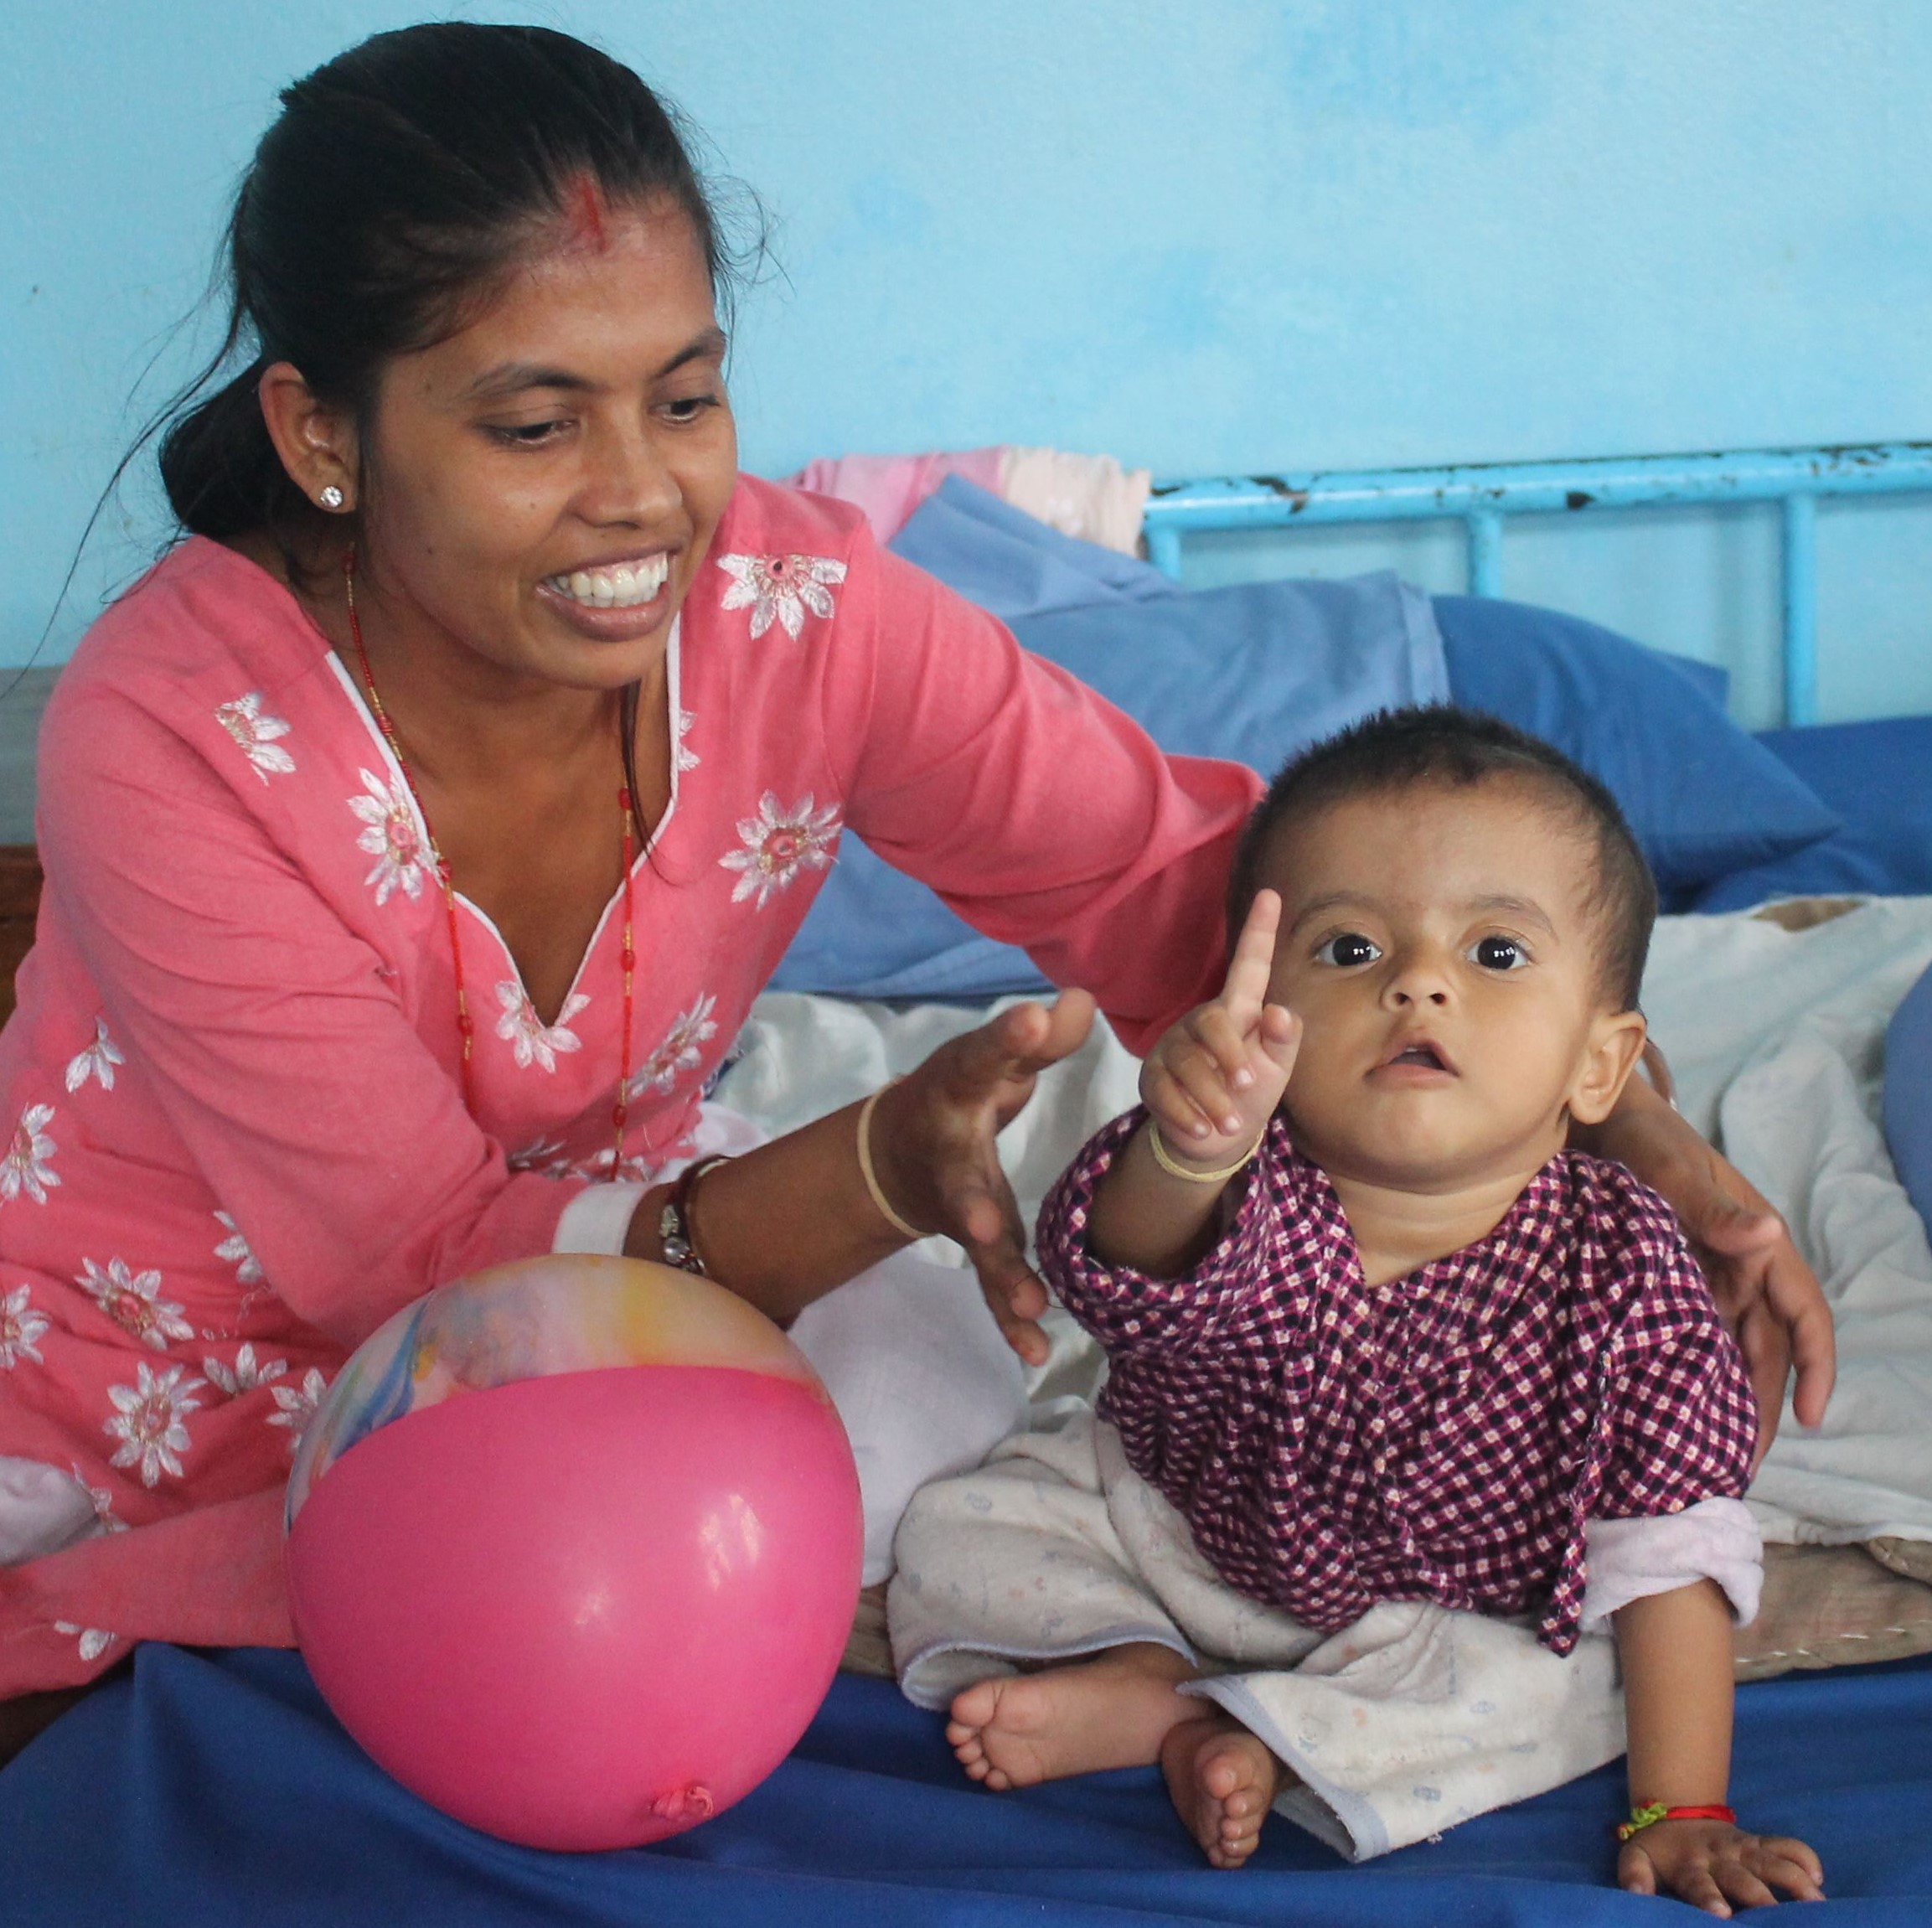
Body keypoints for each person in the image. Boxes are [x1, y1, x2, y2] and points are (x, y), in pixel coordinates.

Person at [0, 24, 1828, 1759]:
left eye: (688, 396)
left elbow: (1172, 885)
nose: (643, 500)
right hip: (147, 1360)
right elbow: (408, 1271)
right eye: (533, 426)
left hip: (612, 1261)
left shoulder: (797, 614)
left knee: (968, 1342)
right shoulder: (172, 732)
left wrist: (1630, 1139)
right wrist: (866, 1169)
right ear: (323, 431)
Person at [891, 711, 1826, 1915]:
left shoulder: (1626, 1270)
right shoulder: (1244, 1187)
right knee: (972, 1519)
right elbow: (1122, 1260)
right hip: (1170, 1535)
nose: (1414, 980)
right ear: (1256, 1005)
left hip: (1445, 1617)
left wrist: (1684, 1809)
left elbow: (1665, 1551)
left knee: (1582, 1681)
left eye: (1494, 952)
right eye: (1345, 950)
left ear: (1601, 1066)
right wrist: (1185, 1151)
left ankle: (1257, 1737)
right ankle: (1145, 1678)